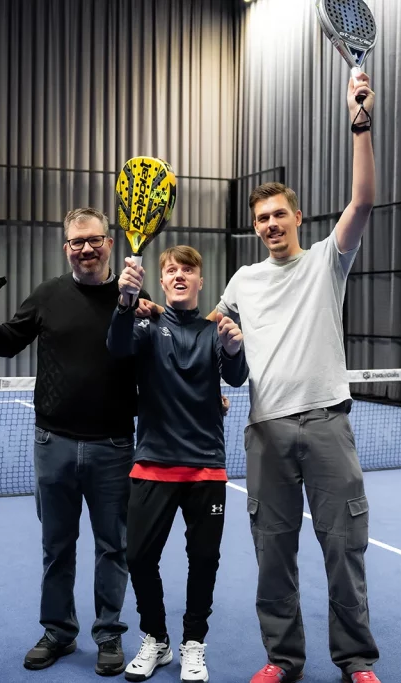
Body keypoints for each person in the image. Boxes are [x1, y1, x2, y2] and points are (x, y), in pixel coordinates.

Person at [215, 74, 382, 683]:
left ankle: (356, 658)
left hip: (327, 422)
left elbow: (362, 200)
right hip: (267, 432)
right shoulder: (241, 282)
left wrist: (359, 122)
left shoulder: (326, 263)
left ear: (298, 217)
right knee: (272, 555)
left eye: (278, 214)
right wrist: (156, 312)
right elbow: (203, 337)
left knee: (344, 549)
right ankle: (283, 659)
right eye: (260, 218)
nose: (269, 224)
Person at [0, 207, 152, 676]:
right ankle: (58, 632)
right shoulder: (47, 295)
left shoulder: (133, 295)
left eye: (94, 240)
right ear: (66, 247)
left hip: (113, 447)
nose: (86, 249)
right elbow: (9, 341)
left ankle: (109, 634)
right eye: (76, 242)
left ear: (109, 243)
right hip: (54, 444)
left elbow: (154, 361)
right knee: (57, 545)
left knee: (113, 546)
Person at [106, 245, 248, 683]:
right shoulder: (146, 325)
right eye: (171, 270)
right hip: (153, 463)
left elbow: (237, 377)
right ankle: (156, 638)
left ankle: (193, 643)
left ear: (200, 282)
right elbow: (115, 346)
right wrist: (126, 302)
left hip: (206, 466)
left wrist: (233, 348)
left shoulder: (216, 328)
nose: (180, 275)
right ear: (163, 281)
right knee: (138, 556)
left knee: (203, 559)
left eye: (188, 270)